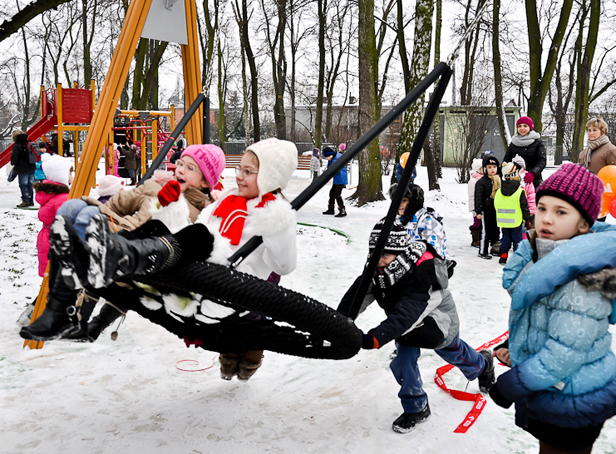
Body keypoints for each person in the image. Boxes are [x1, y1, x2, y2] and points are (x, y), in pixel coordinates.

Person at [21, 138, 298, 383]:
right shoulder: (224, 201)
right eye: (239, 169)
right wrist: (170, 207)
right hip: (202, 280)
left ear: (271, 178)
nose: (239, 177)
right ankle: (111, 263)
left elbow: (283, 266)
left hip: (236, 291)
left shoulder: (273, 215)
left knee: (247, 336)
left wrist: (277, 223)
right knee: (165, 234)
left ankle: (122, 255)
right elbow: (190, 230)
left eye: (248, 172)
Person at [20, 144, 226, 342]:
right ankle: (58, 313)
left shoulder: (201, 213)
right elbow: (120, 203)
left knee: (111, 274)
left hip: (147, 256)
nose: (180, 170)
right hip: (122, 234)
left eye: (190, 168)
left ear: (205, 182)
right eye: (181, 164)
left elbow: (190, 245)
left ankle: (87, 320)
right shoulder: (156, 185)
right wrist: (110, 215)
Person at [488, 163, 616, 454]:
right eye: (542, 208)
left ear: (584, 224)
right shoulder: (548, 259)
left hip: (573, 402)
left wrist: (511, 385)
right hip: (559, 394)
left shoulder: (579, 281)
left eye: (561, 212)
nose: (545, 219)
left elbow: (562, 356)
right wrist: (518, 346)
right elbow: (548, 322)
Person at [337, 219, 495, 434]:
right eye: (375, 254)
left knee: (454, 353)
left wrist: (374, 338)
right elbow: (355, 299)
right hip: (406, 326)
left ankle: (483, 365)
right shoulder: (377, 272)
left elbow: (407, 313)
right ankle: (417, 406)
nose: (378, 261)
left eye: (384, 255)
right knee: (403, 362)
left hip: (436, 322)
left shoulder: (421, 274)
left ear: (399, 253)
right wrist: (337, 323)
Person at [34, 154, 73, 277]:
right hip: (57, 241)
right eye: (70, 173)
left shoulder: (51, 195)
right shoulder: (63, 198)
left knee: (52, 277)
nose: (72, 176)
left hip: (47, 237)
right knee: (58, 277)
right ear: (61, 176)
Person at [389, 182, 447, 260]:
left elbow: (432, 254)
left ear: (413, 202)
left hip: (426, 268)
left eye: (404, 201)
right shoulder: (398, 220)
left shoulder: (429, 223)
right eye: (398, 201)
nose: (399, 204)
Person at [494, 162, 531, 265]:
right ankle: (516, 258)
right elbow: (524, 207)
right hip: (516, 221)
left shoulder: (499, 191)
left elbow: (496, 205)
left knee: (505, 238)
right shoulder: (520, 191)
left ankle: (503, 256)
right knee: (517, 240)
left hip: (503, 221)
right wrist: (527, 219)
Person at [503, 116, 546, 189]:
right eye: (519, 126)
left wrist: (533, 173)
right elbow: (507, 160)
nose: (522, 128)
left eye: (525, 126)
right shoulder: (513, 143)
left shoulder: (538, 143)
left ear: (530, 127)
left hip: (533, 180)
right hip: (515, 179)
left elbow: (542, 161)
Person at [474, 154, 501, 259]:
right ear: (485, 169)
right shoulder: (482, 182)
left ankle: (495, 248)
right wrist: (478, 211)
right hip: (486, 209)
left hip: (497, 209)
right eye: (489, 167)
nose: (492, 169)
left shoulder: (499, 180)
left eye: (494, 167)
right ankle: (483, 250)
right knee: (486, 231)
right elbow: (478, 197)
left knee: (496, 230)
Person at [10, 130, 36, 208]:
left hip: (22, 168)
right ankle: (31, 200)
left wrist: (13, 163)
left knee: (23, 185)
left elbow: (14, 158)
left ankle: (25, 200)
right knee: (30, 184)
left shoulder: (17, 145)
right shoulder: (29, 143)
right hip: (32, 167)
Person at [322, 146, 348, 217]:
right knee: (332, 193)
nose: (327, 159)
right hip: (337, 179)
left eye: (327, 157)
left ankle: (342, 210)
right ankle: (331, 209)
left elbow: (335, 170)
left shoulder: (337, 159)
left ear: (330, 154)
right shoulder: (333, 158)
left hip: (341, 178)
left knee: (337, 194)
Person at [511, 154, 536, 225]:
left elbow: (531, 195)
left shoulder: (526, 180)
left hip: (524, 210)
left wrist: (531, 210)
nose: (519, 169)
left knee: (524, 228)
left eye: (521, 167)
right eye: (516, 167)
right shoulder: (509, 179)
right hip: (513, 210)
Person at [467, 158, 483, 247]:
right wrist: (474, 208)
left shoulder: (484, 179)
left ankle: (481, 238)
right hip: (475, 206)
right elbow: (472, 195)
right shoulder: (473, 181)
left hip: (482, 205)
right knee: (477, 223)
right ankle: (475, 239)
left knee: (482, 223)